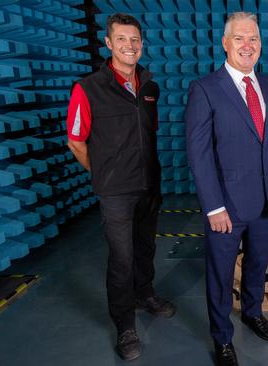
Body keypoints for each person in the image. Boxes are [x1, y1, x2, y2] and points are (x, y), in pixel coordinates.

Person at [185, 11, 268, 366]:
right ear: (225, 43)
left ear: (260, 45)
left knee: (258, 263)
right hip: (226, 206)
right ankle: (222, 337)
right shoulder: (205, 88)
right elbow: (198, 154)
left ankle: (252, 311)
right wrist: (213, 207)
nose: (247, 46)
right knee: (219, 275)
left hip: (266, 199)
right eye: (239, 38)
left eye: (253, 39)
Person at [66, 13, 175, 361]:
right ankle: (125, 324)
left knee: (144, 249)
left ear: (142, 44)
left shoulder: (149, 86)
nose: (130, 46)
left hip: (148, 185)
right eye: (122, 39)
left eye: (135, 39)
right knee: (122, 259)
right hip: (115, 192)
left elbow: (149, 133)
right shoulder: (88, 88)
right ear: (109, 44)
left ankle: (146, 294)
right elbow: (75, 140)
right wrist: (103, 175)